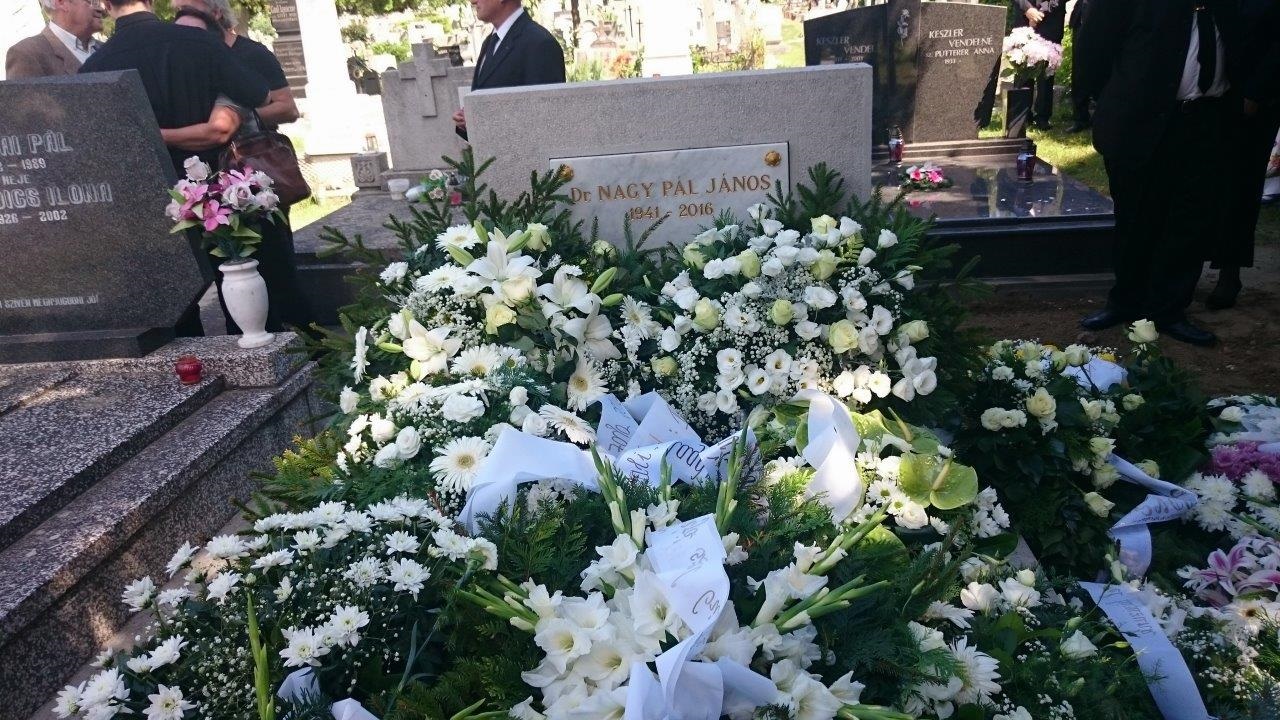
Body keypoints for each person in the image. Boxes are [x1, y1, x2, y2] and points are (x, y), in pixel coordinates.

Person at [81, 0, 269, 337]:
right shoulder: (199, 41)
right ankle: (254, 350)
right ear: (152, 1)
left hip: (145, 195)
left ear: (106, 5)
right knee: (238, 279)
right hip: (216, 189)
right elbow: (258, 93)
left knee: (175, 310)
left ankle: (188, 361)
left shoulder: (94, 67)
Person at [1076, 0, 1241, 346]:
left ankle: (1169, 309)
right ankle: (1126, 301)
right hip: (1139, 121)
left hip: (1206, 120)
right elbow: (1095, 45)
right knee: (1135, 215)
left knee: (1189, 220)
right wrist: (1112, 99)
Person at [170, 4, 314, 336]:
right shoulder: (186, 65)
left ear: (215, 16)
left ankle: (311, 345)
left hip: (255, 173)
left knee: (278, 268)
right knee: (230, 270)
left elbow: (286, 108)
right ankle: (249, 339)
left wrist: (243, 114)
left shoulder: (248, 56)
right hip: (210, 185)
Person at [1205, 0, 1280, 310]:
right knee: (1201, 183)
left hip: (1253, 100)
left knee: (1239, 188)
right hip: (1206, 95)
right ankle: (1187, 262)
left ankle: (1229, 271)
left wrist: (1256, 92)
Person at [173, 0, 300, 129]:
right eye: (177, 11)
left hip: (252, 141)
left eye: (186, 10)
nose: (179, 19)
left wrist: (237, 119)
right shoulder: (184, 58)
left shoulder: (253, 53)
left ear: (216, 13)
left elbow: (289, 109)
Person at [453, 0, 566, 140]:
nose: (473, 1)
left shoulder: (540, 43)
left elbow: (545, 119)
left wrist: (481, 122)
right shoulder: (490, 42)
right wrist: (467, 122)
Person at [5, 0, 105, 79]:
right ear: (62, 3)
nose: (101, 8)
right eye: (92, 1)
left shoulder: (106, 49)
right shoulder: (27, 54)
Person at [1013, 0, 1067, 130]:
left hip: (1051, 20)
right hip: (1024, 20)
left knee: (1046, 73)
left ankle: (1043, 117)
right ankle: (1021, 115)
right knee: (1022, 68)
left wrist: (1040, 13)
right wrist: (1027, 9)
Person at [1065, 0, 1093, 133]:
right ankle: (1080, 118)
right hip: (1081, 21)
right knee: (1078, 71)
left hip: (1103, 21)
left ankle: (1101, 117)